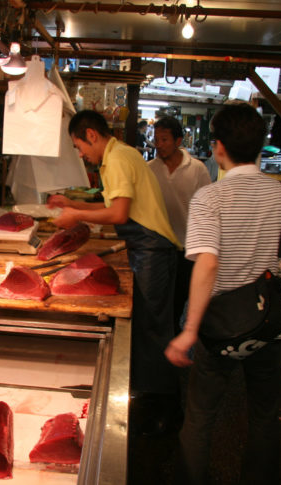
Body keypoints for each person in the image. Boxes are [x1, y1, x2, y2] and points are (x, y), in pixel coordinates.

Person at [164, 103, 281, 485]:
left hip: (219, 325)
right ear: (261, 147)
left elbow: (207, 265)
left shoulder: (210, 198)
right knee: (263, 416)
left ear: (218, 147)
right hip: (270, 325)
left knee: (201, 416)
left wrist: (190, 330)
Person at [47, 109, 184, 435]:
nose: (82, 154)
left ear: (91, 135)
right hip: (146, 247)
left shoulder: (119, 157)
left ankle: (165, 413)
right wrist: (72, 205)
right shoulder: (115, 158)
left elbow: (119, 214)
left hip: (154, 249)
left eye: (80, 146)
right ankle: (151, 401)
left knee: (153, 328)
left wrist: (76, 216)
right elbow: (110, 205)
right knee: (147, 325)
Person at [148, 116, 211, 329]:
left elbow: (207, 208)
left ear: (178, 141)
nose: (159, 145)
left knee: (178, 299)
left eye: (164, 139)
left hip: (187, 248)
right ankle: (160, 339)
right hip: (158, 247)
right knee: (158, 298)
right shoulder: (149, 168)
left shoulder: (197, 169)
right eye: (156, 139)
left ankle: (173, 338)